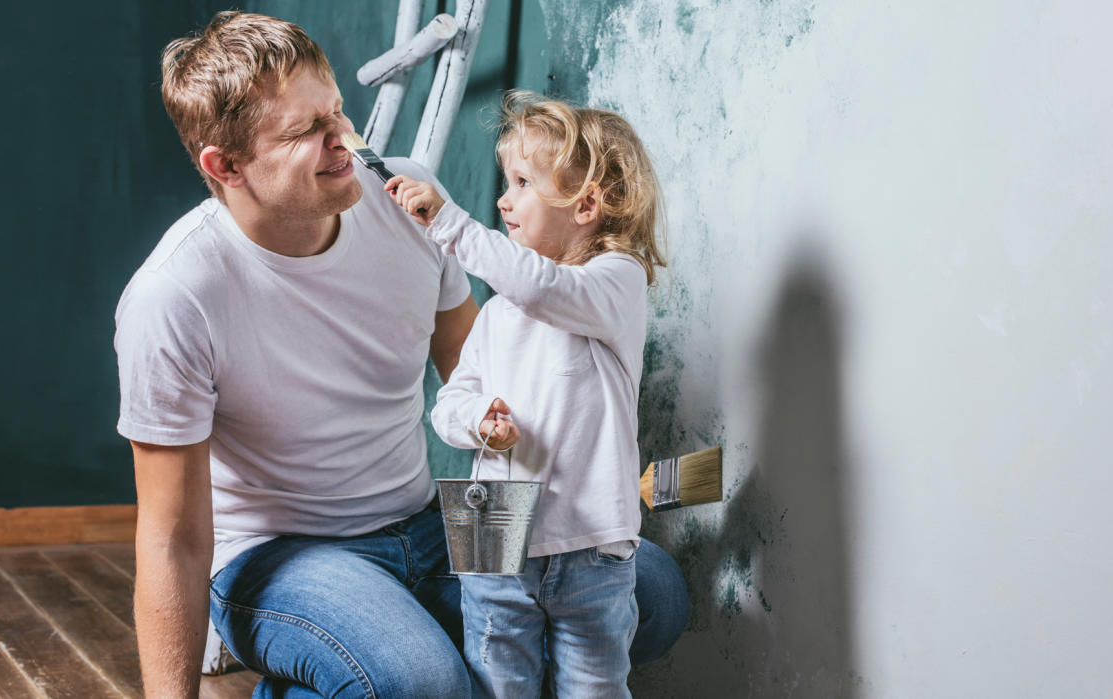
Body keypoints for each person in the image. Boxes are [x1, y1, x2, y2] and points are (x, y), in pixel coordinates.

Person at [113, 11, 688, 698]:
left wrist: (585, 486)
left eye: (337, 112)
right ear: (225, 165)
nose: (344, 142)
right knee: (423, 685)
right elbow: (171, 538)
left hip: (428, 522)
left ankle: (367, 671)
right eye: (307, 132)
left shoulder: (402, 199)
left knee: (649, 593)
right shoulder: (175, 295)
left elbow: (478, 376)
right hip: (285, 555)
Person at [387, 91, 666, 697]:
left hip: (591, 539)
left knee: (594, 684)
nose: (503, 200)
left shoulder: (616, 284)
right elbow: (449, 404)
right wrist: (478, 424)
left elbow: (544, 287)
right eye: (504, 182)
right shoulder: (498, 314)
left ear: (587, 203)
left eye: (522, 182)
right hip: (493, 527)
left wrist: (449, 222)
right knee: (496, 682)